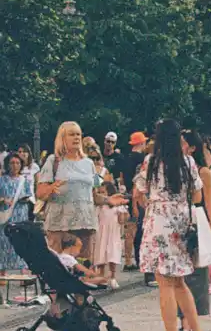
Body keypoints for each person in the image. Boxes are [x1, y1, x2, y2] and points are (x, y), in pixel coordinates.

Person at [135, 118, 205, 331]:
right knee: (180, 282)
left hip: (159, 221)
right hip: (181, 221)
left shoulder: (151, 162)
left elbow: (140, 190)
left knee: (164, 283)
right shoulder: (188, 162)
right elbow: (197, 195)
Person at [35, 122, 100, 261]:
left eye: (78, 134)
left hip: (85, 223)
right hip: (60, 224)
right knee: (58, 266)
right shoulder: (53, 161)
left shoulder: (89, 163)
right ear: (62, 138)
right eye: (72, 134)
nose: (76, 138)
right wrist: (51, 188)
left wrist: (109, 200)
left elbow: (95, 194)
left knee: (83, 268)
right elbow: (39, 193)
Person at [180, 131, 211, 323]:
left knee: (196, 272)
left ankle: (190, 322)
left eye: (182, 143)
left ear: (192, 148)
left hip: (197, 218)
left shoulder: (203, 171)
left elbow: (208, 203)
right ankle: (183, 322)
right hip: (177, 218)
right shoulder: (172, 168)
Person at [90, 144, 127, 288]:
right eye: (91, 158)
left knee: (112, 252)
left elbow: (122, 216)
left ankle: (112, 276)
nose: (94, 161)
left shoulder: (104, 173)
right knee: (99, 253)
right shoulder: (98, 205)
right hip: (100, 230)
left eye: (96, 158)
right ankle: (99, 277)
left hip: (112, 231)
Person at [0, 152, 33, 296]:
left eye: (17, 163)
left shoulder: (24, 180)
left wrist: (24, 199)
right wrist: (3, 200)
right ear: (7, 164)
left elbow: (29, 195)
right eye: (12, 163)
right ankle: (2, 272)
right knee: (4, 242)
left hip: (20, 213)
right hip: (6, 215)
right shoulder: (2, 180)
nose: (15, 166)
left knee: (21, 243)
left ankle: (23, 273)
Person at [118, 131, 148, 270]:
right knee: (139, 228)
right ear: (141, 143)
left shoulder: (125, 158)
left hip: (128, 194)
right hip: (139, 195)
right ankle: (139, 258)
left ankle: (128, 260)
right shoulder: (142, 159)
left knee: (130, 229)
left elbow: (122, 177)